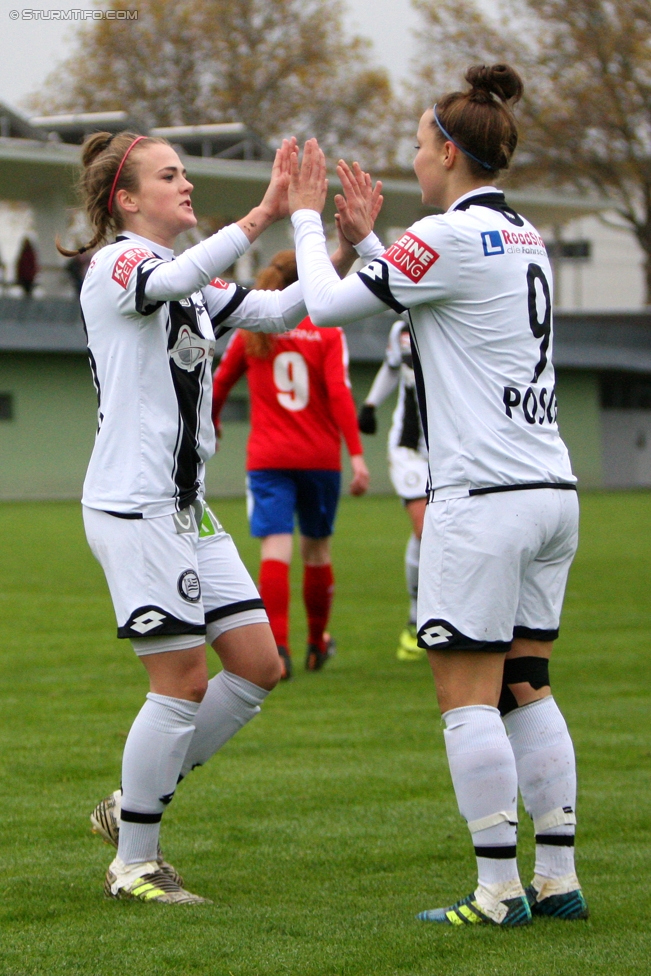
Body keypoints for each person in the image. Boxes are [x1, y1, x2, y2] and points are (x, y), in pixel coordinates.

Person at [287, 64, 588, 927]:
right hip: (550, 492)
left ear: (448, 153)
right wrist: (377, 242)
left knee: (464, 696)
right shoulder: (521, 233)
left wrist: (312, 221)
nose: (413, 159)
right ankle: (556, 877)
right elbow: (434, 308)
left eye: (419, 145)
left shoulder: (446, 234)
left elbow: (327, 305)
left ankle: (497, 891)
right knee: (524, 684)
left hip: (484, 496)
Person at [60, 130, 374, 904]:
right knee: (181, 682)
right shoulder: (119, 263)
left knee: (259, 667)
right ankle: (133, 862)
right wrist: (265, 213)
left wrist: (342, 248)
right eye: (169, 175)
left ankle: (133, 805)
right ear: (125, 200)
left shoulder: (185, 279)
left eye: (185, 173)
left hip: (184, 509)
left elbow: (278, 309)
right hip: (136, 508)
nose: (186, 184)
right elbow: (180, 278)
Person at [212, 250, 370, 680]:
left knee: (274, 549)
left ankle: (277, 650)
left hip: (269, 458)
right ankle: (317, 644)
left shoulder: (254, 328)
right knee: (317, 550)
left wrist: (210, 423)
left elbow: (220, 382)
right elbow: (339, 393)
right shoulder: (326, 329)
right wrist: (356, 455)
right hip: (320, 458)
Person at [358, 316, 428, 661]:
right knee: (426, 528)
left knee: (443, 534)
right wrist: (371, 403)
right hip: (409, 448)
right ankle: (417, 623)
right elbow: (391, 367)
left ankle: (442, 619)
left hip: (454, 450)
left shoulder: (455, 315)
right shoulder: (401, 328)